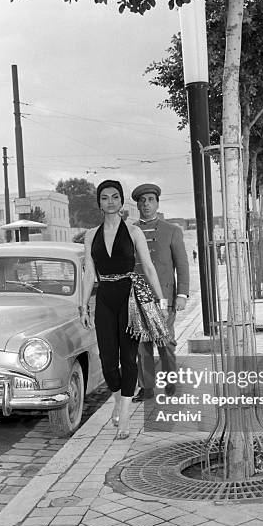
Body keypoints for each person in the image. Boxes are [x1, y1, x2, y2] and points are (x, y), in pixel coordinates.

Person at [81, 180, 168, 440]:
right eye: (105, 197)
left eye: (115, 196)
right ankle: (118, 401)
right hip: (105, 297)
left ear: (121, 201)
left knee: (128, 358)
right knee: (108, 360)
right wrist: (83, 305)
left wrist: (161, 303)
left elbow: (149, 267)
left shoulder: (133, 232)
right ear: (99, 202)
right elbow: (89, 274)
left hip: (129, 297)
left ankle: (126, 416)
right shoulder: (90, 235)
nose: (110, 201)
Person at [131, 183, 190, 402]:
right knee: (141, 344)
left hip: (163, 299)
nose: (146, 204)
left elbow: (182, 265)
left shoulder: (171, 230)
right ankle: (146, 388)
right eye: (142, 201)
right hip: (137, 297)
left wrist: (182, 295)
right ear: (137, 204)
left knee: (165, 342)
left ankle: (170, 384)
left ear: (157, 203)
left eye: (150, 200)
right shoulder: (130, 230)